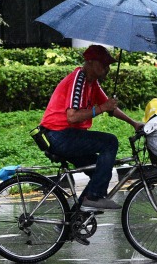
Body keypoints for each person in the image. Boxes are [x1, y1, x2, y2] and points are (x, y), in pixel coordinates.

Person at [40, 44, 143, 211]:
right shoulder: (78, 79)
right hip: (59, 135)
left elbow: (108, 107)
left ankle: (75, 220)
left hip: (69, 135)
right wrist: (102, 108)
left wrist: (134, 123)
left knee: (100, 170)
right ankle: (94, 197)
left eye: (108, 64)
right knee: (110, 142)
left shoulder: (91, 82)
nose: (107, 68)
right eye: (103, 64)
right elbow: (72, 116)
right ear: (90, 62)